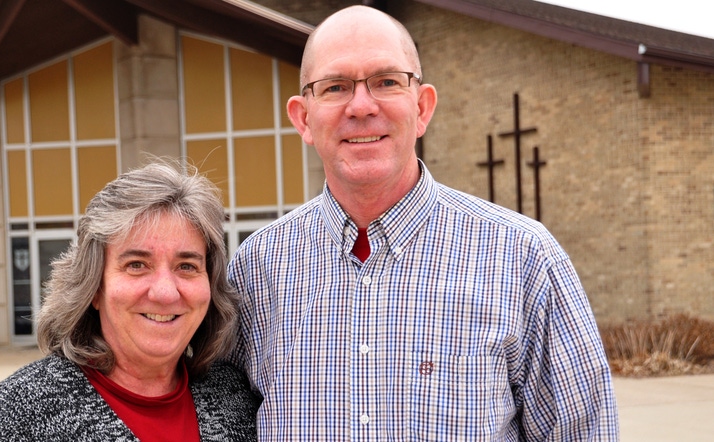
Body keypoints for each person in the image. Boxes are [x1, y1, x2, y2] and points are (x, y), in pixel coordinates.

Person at [227, 5, 618, 440]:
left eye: (386, 81)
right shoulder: (255, 269)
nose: (361, 106)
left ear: (423, 107)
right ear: (303, 118)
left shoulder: (524, 258)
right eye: (335, 86)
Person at [0, 160, 258, 441]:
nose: (166, 293)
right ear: (94, 287)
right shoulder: (22, 411)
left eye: (187, 266)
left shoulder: (233, 396)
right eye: (136, 264)